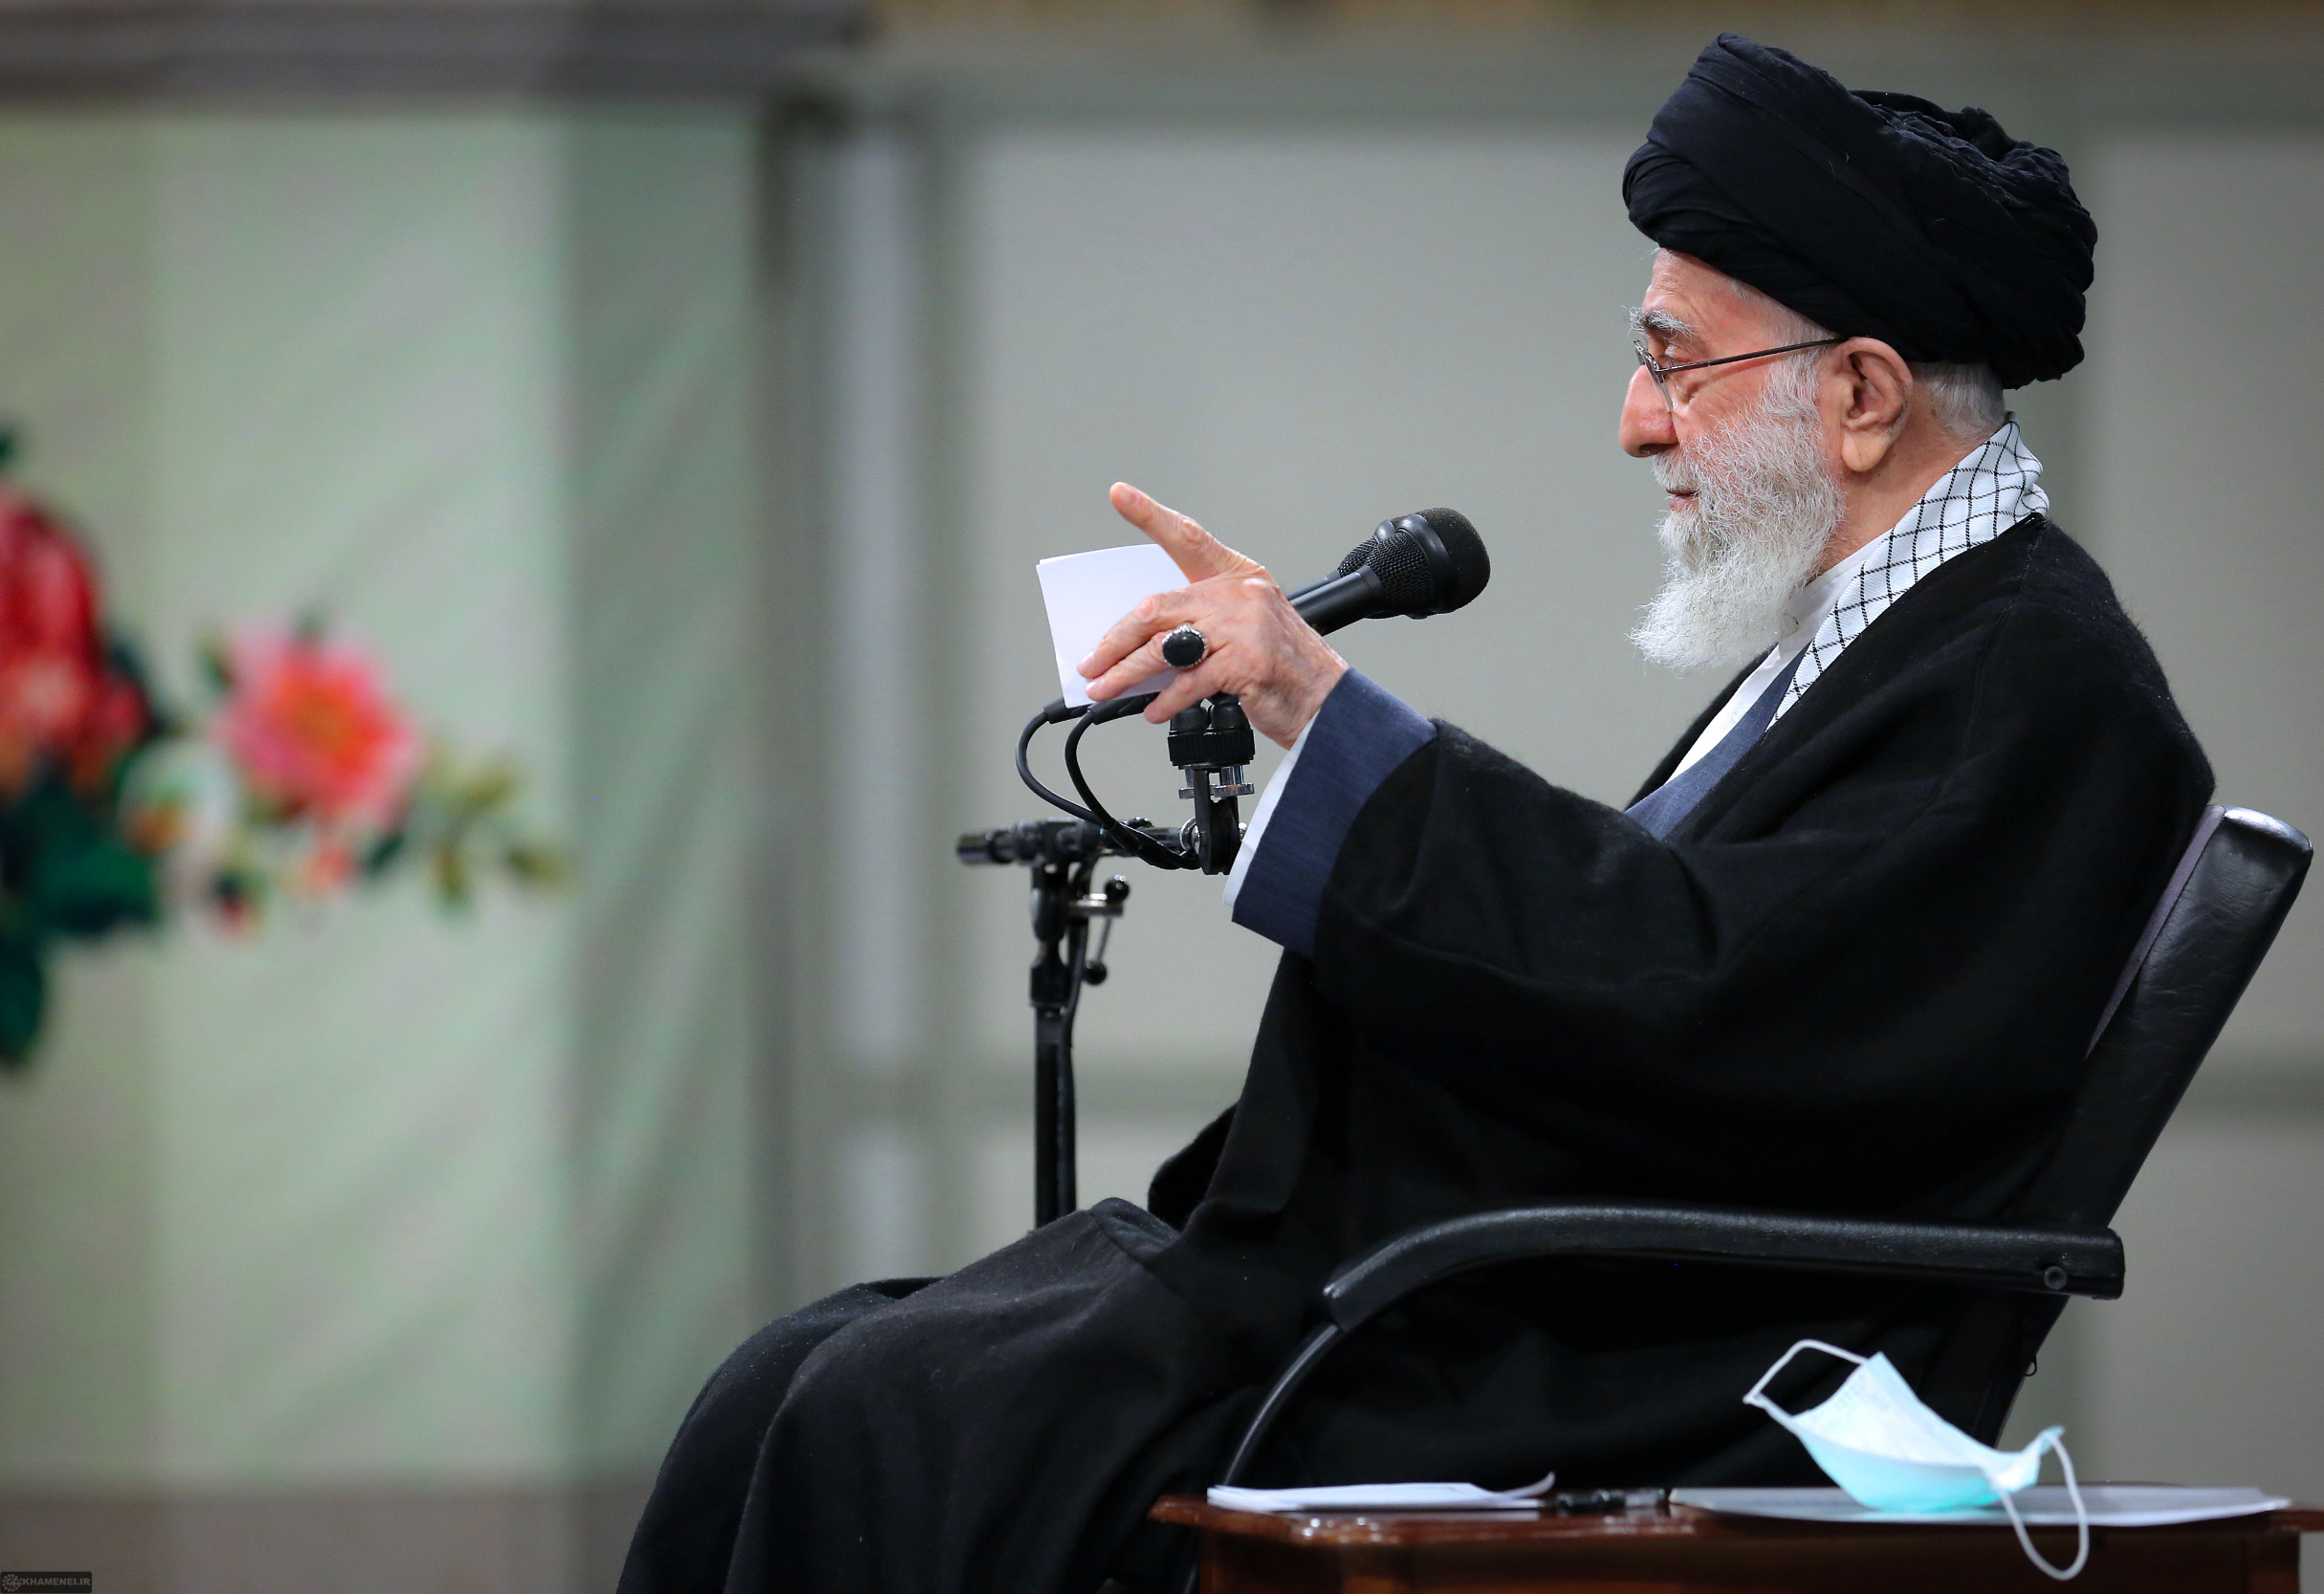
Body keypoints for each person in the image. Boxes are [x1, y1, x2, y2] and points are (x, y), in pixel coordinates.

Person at [620, 34, 2211, 1594]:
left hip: (1649, 1351)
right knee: (788, 1378)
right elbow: (1681, 973)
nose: (1637, 421)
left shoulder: (2029, 683)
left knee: (887, 1412)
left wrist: (1327, 715)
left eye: (1675, 361)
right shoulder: (1908, 639)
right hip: (1549, 1285)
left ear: (1862, 395)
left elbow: (1714, 1004)